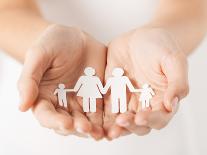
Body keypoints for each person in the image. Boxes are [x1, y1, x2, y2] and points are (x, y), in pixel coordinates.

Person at [0, 0, 206, 143]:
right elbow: (7, 9)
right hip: (43, 96)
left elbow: (191, 7)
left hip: (153, 95)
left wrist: (164, 40)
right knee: (97, 103)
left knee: (116, 104)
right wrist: (41, 44)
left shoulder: (121, 82)